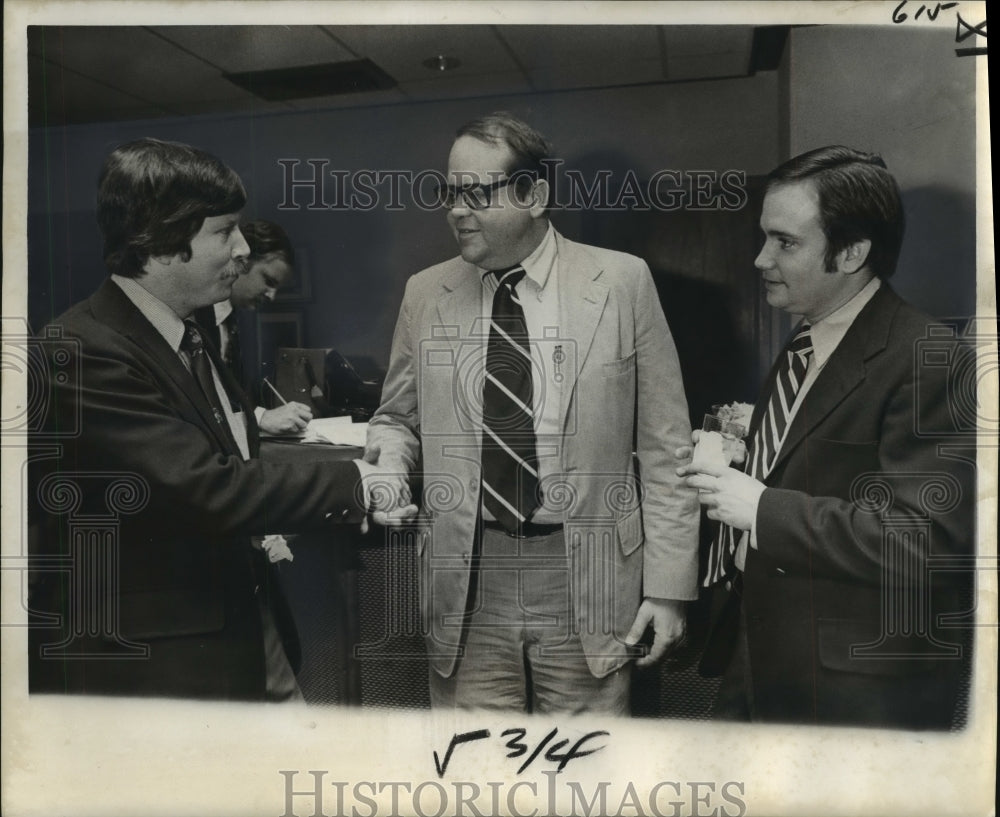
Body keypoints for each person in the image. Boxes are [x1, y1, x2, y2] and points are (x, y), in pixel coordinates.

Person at [27, 137, 412, 702]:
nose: (241, 249)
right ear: (161, 239)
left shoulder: (189, 333)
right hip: (159, 665)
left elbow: (227, 448)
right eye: (223, 230)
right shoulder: (81, 348)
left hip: (238, 625)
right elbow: (200, 485)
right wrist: (355, 481)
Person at [366, 112, 699, 714]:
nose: (456, 211)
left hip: (588, 572)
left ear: (535, 195)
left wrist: (670, 587)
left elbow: (666, 445)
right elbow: (396, 418)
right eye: (449, 193)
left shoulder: (622, 282)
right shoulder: (426, 293)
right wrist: (389, 468)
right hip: (466, 573)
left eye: (476, 193)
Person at [679, 145, 974, 729]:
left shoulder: (931, 357)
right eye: (764, 237)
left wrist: (761, 506)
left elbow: (927, 542)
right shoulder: (804, 345)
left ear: (853, 252)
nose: (760, 258)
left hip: (856, 697)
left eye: (785, 242)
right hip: (765, 664)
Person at [193, 219, 312, 436]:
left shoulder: (237, 321)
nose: (271, 296)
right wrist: (260, 417)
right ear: (242, 262)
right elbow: (195, 398)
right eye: (268, 280)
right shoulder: (194, 312)